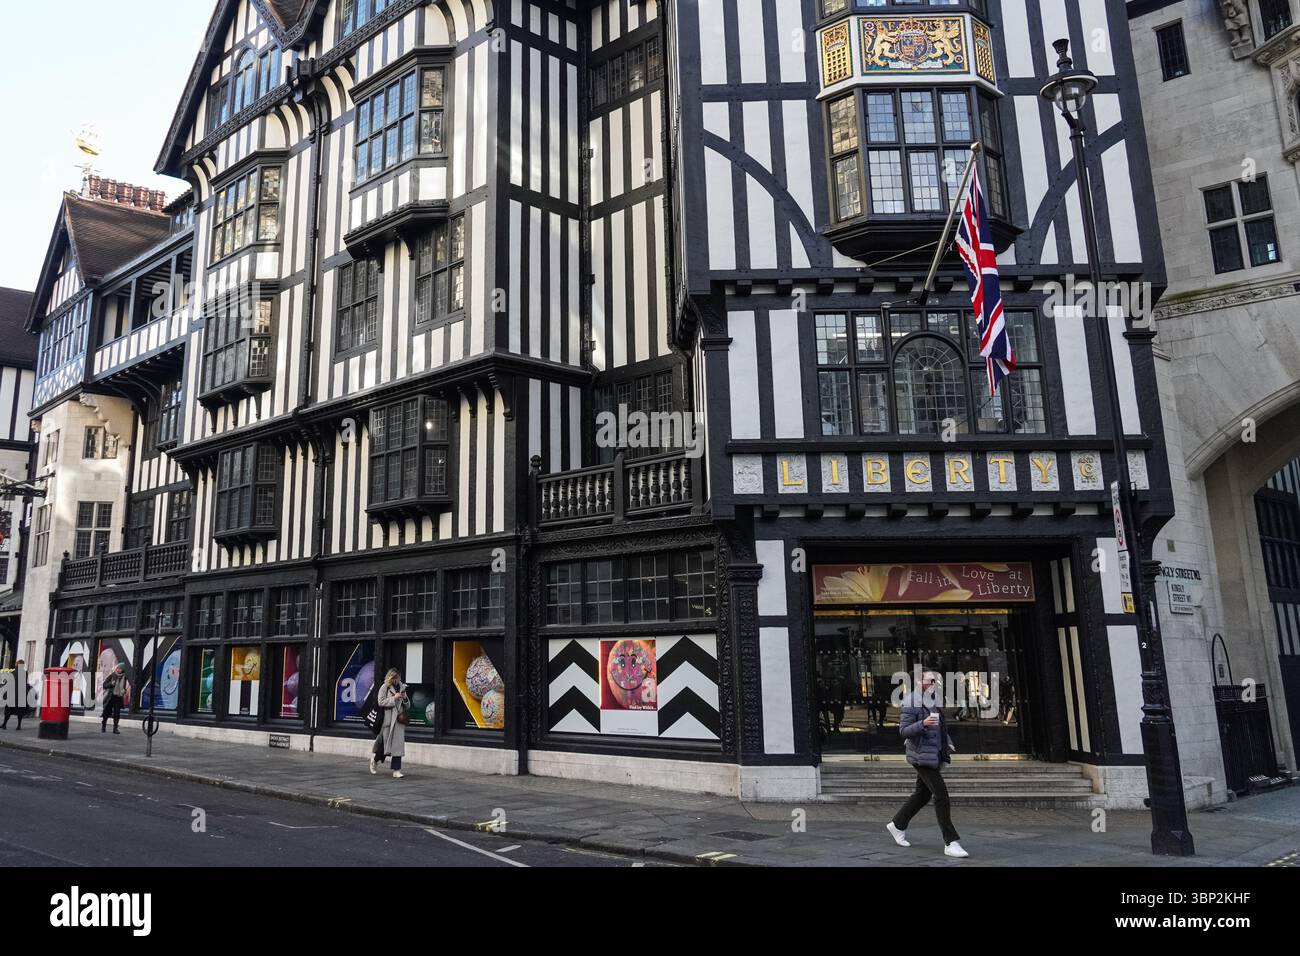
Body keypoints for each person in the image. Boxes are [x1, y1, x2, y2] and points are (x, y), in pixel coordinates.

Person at [885, 669, 968, 858]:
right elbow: (904, 731)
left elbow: (939, 726)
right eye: (930, 681)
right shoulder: (911, 702)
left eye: (936, 681)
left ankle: (897, 824)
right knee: (942, 796)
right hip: (921, 757)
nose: (934, 684)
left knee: (922, 795)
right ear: (918, 682)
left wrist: (947, 741)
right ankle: (950, 842)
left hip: (933, 754)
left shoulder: (931, 700)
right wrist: (923, 723)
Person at [370, 668, 409, 779]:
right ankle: (375, 760)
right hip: (388, 721)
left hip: (398, 721)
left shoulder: (402, 687)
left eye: (398, 678)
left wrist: (405, 698)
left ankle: (396, 770)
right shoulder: (384, 687)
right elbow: (380, 701)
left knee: (397, 747)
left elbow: (407, 705)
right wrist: (393, 698)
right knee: (384, 748)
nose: (396, 680)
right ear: (390, 677)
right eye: (394, 678)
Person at [101, 663, 128, 734]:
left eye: (120, 668)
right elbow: (104, 685)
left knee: (117, 713)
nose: (118, 670)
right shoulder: (112, 675)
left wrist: (124, 690)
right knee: (106, 712)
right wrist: (111, 684)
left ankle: (115, 728)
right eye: (118, 668)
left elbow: (124, 687)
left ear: (123, 670)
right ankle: (103, 725)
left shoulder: (124, 677)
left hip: (118, 697)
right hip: (110, 697)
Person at [0, 661, 27, 730]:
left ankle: (4, 724)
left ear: (17, 664)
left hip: (12, 695)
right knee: (20, 712)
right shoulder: (25, 673)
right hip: (21, 695)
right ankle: (18, 725)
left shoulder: (13, 673)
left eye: (16, 663)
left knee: (8, 711)